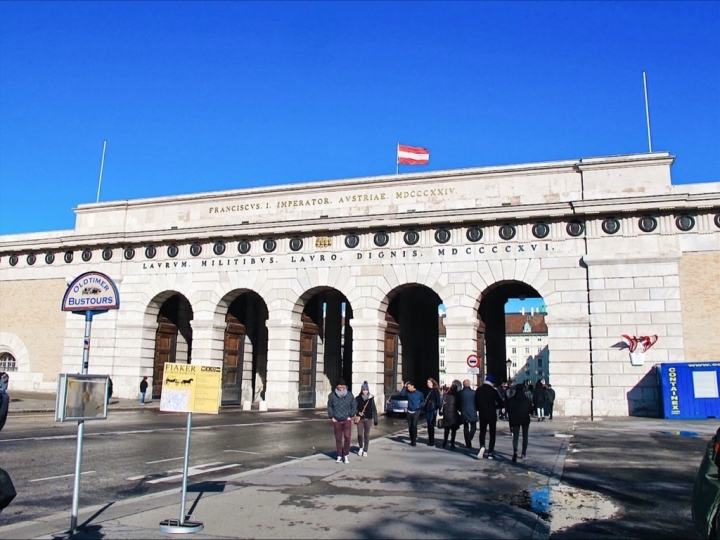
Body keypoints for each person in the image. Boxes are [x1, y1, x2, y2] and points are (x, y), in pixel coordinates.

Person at [474, 374, 505, 460]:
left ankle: (482, 446)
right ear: (492, 383)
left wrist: (478, 408)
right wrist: (496, 407)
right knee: (492, 433)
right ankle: (490, 452)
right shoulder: (493, 391)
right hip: (491, 413)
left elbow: (475, 402)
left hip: (482, 413)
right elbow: (500, 402)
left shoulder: (479, 390)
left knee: (482, 431)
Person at [328, 378, 355, 463]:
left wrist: (350, 415)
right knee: (338, 438)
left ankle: (346, 454)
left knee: (347, 436)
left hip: (346, 419)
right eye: (339, 387)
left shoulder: (350, 395)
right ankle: (339, 455)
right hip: (336, 419)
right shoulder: (332, 396)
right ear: (337, 387)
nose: (341, 388)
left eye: (342, 387)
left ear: (345, 387)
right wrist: (332, 417)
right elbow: (329, 406)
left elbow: (353, 406)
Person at [507, 382, 533, 462]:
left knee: (515, 437)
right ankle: (523, 453)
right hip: (525, 419)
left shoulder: (512, 399)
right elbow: (531, 410)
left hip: (515, 419)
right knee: (525, 436)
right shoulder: (526, 400)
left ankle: (515, 451)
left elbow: (509, 409)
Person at [355, 381, 378, 457]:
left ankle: (365, 450)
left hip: (368, 418)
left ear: (368, 390)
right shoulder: (357, 398)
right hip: (360, 419)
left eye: (366, 390)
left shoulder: (371, 399)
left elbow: (374, 409)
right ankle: (361, 447)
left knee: (366, 435)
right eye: (364, 390)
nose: (365, 391)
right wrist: (358, 412)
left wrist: (375, 419)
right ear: (361, 390)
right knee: (359, 434)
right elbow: (354, 408)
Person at [400, 381, 424, 446]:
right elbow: (402, 394)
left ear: (413, 386)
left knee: (414, 425)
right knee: (410, 426)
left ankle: (414, 440)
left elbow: (423, 401)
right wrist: (404, 387)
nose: (408, 388)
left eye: (409, 387)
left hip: (416, 411)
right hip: (409, 411)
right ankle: (411, 439)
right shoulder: (408, 393)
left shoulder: (419, 393)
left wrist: (419, 406)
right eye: (407, 387)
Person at [457, 379, 478, 450]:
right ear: (469, 384)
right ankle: (469, 438)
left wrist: (460, 409)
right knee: (473, 427)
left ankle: (468, 442)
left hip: (464, 411)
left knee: (465, 427)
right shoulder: (474, 393)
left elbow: (458, 403)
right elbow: (476, 402)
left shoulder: (460, 393)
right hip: (472, 411)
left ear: (463, 384)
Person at [441, 384, 462, 449]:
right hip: (453, 414)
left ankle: (444, 443)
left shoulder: (446, 395)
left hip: (446, 413)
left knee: (446, 429)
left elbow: (442, 404)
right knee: (453, 430)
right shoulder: (457, 396)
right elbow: (459, 406)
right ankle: (452, 443)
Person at [424, 378, 441, 446]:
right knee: (429, 424)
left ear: (432, 383)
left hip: (432, 409)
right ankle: (430, 439)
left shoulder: (435, 390)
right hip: (427, 409)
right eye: (427, 382)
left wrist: (436, 409)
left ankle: (432, 441)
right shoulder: (427, 390)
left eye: (429, 382)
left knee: (431, 425)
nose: (428, 383)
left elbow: (438, 401)